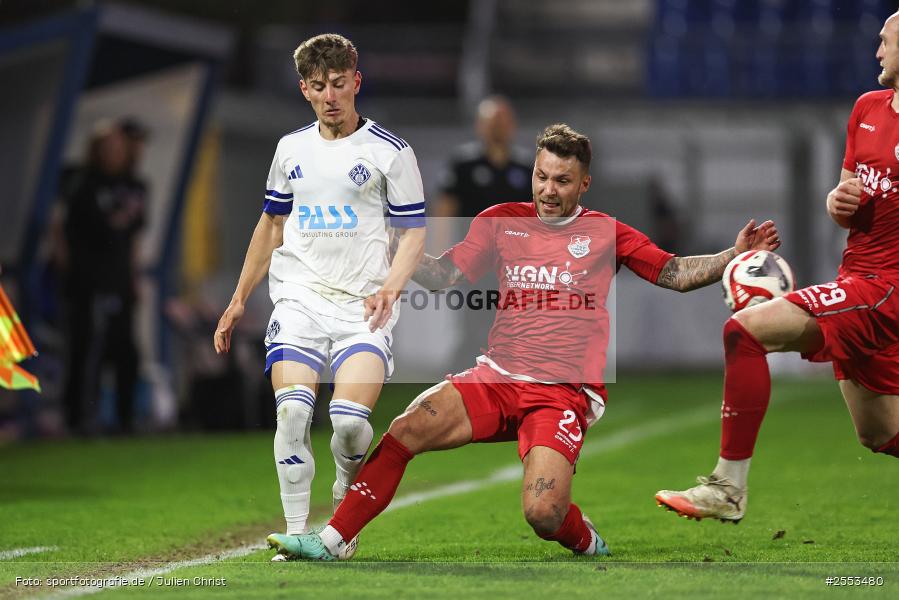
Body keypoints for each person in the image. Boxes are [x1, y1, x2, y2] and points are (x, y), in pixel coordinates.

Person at [267, 123, 779, 560]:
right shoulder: (499, 221)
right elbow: (445, 275)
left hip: (563, 391)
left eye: (562, 180)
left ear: (584, 184)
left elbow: (673, 272)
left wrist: (729, 257)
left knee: (543, 513)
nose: (548, 189)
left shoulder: (606, 232)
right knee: (406, 429)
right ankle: (333, 540)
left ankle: (585, 540)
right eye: (541, 176)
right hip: (497, 376)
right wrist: (394, 248)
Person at [655, 12, 899, 524]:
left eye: (886, 41)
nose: (877, 50)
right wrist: (838, 200)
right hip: (856, 277)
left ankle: (727, 488)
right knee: (878, 433)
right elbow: (843, 198)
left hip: (887, 289)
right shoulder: (867, 109)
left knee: (745, 332)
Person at [212, 34, 426, 558]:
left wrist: (391, 288)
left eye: (337, 84)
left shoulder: (390, 153)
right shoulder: (291, 150)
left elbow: (414, 232)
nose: (330, 95)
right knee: (292, 413)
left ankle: (343, 499)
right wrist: (240, 297)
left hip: (361, 309)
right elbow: (271, 225)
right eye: (317, 86)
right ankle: (294, 533)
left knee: (351, 426)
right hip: (300, 300)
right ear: (304, 90)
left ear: (356, 81)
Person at [57, 120, 146, 435]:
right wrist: (69, 270)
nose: (114, 153)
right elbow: (62, 231)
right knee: (86, 349)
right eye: (107, 148)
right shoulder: (83, 184)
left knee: (126, 352)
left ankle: (125, 420)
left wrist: (133, 277)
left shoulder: (135, 186)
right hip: (87, 281)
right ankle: (78, 419)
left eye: (118, 148)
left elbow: (134, 239)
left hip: (120, 280)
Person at [433, 96, 533, 372]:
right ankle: (459, 385)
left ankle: (507, 388)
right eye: (492, 122)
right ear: (480, 126)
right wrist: (442, 258)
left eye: (502, 121)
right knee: (474, 327)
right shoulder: (464, 165)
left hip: (514, 267)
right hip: (474, 264)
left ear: (512, 125)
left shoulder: (527, 169)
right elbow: (445, 210)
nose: (497, 128)